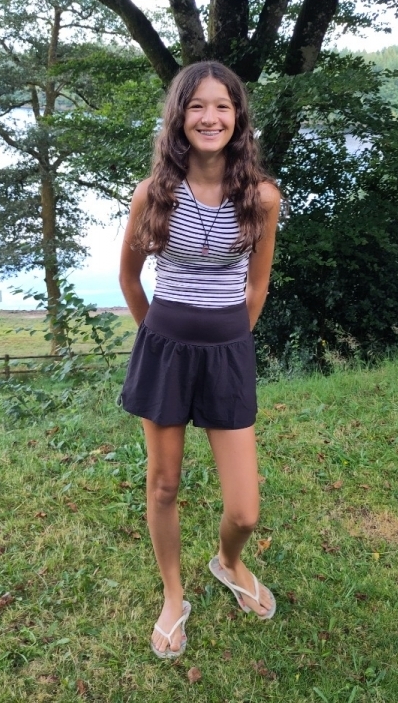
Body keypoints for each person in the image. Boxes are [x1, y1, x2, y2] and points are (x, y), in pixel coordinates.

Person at [118, 60, 280, 659]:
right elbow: (130, 278)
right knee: (164, 485)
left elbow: (256, 287)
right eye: (196, 106)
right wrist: (159, 338)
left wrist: (227, 343)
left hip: (227, 354)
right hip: (164, 350)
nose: (209, 117)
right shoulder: (153, 193)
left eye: (222, 106)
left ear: (238, 118)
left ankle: (228, 562)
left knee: (245, 509)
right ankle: (172, 594)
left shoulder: (261, 197)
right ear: (179, 117)